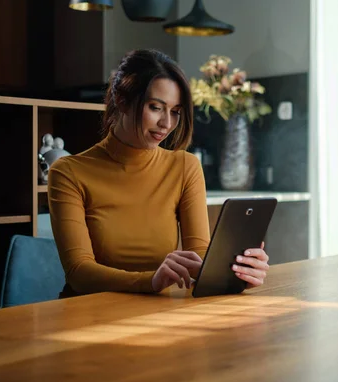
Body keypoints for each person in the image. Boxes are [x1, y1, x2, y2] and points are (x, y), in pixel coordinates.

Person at [48, 49, 270, 297]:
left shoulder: (185, 167)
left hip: (155, 313)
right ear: (121, 100)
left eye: (175, 111)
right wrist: (151, 281)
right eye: (156, 107)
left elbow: (198, 255)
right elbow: (79, 273)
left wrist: (234, 273)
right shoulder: (68, 173)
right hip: (86, 315)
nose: (167, 124)